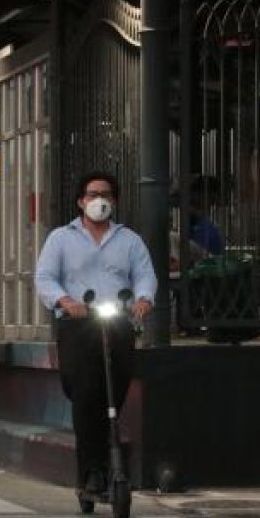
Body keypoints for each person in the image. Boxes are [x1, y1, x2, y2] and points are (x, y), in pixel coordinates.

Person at [33, 170, 157, 499]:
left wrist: (144, 299)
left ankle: (112, 465)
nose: (98, 200)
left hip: (116, 321)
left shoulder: (129, 240)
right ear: (80, 201)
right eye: (92, 194)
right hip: (79, 324)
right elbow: (44, 277)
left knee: (113, 393)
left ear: (114, 201)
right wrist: (65, 301)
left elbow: (145, 275)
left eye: (105, 194)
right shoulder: (61, 238)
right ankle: (91, 472)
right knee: (86, 394)